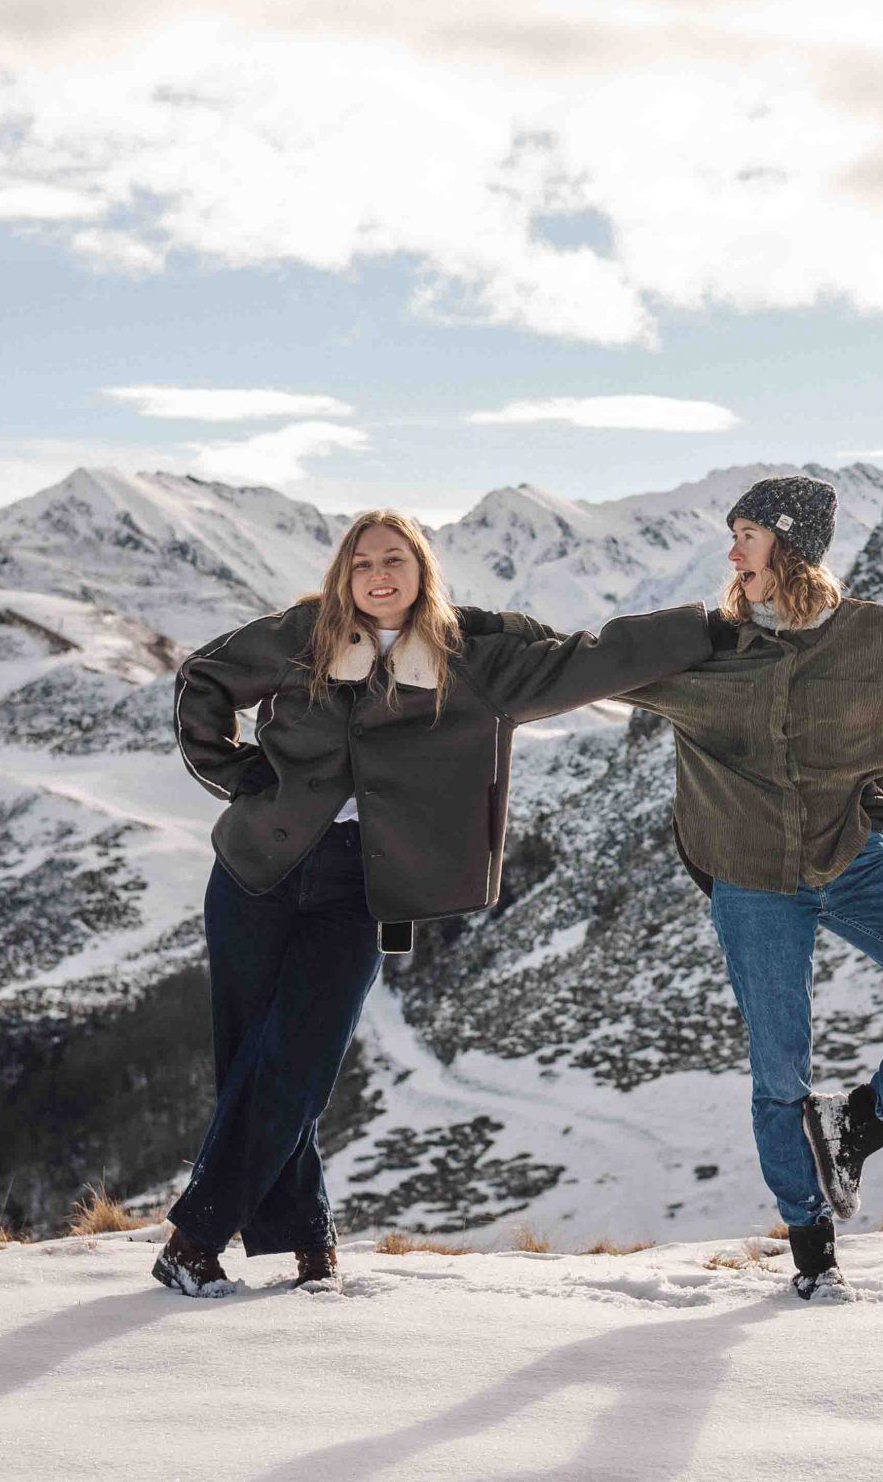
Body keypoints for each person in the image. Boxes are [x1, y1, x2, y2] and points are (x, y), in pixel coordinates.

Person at [154, 509, 711, 1297]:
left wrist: (710, 625)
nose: (378, 576)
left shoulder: (470, 658)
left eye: (395, 560)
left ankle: (194, 1239)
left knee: (300, 1061)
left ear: (422, 570)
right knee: (254, 1061)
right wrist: (236, 773)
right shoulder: (304, 635)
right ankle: (306, 1238)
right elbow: (204, 680)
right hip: (257, 870)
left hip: (361, 884)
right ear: (343, 575)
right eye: (362, 563)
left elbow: (595, 659)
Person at [614, 475, 883, 1299]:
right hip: (755, 884)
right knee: (779, 1072)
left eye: (748, 536)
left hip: (852, 862)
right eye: (733, 537)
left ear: (791, 546)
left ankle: (862, 1122)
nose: (732, 553)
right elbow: (586, 668)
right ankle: (813, 1253)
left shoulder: (873, 638)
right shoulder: (715, 645)